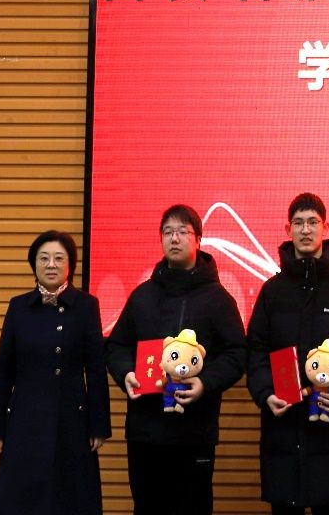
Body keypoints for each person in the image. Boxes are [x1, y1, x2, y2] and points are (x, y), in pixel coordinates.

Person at [105, 204, 247, 515]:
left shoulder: (218, 299)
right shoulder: (142, 296)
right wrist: (126, 373)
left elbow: (237, 353)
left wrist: (205, 383)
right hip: (145, 431)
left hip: (194, 432)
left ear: (198, 240)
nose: (174, 238)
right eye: (168, 232)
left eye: (183, 231)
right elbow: (116, 346)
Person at [245, 193, 329, 515]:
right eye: (299, 223)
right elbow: (255, 351)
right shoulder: (272, 291)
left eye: (313, 222)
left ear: (325, 227)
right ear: (288, 229)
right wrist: (265, 393)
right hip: (282, 431)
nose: (306, 230)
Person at [0, 230, 110, 515]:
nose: (51, 264)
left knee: (70, 500)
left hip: (72, 423)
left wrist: (98, 426)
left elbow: (95, 369)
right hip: (24, 423)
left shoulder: (86, 306)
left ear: (70, 265)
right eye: (43, 258)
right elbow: (3, 370)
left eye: (58, 258)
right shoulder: (18, 307)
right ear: (34, 264)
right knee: (22, 501)